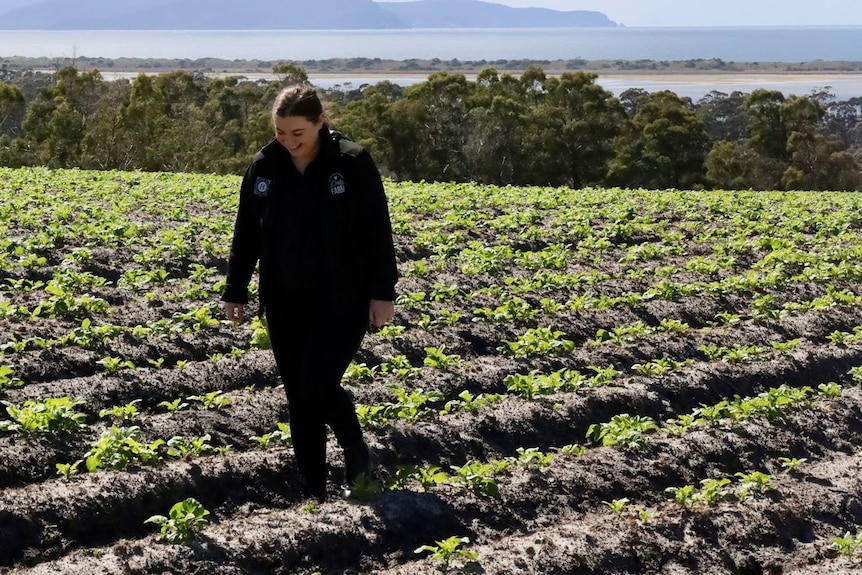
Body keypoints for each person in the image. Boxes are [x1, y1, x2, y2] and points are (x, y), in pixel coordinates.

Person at [220, 84, 398, 502]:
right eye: (281, 133)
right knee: (299, 399)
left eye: (298, 133)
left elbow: (376, 230)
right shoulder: (264, 167)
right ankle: (313, 492)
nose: (289, 142)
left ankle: (355, 448)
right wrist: (236, 288)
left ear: (321, 122)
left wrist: (382, 292)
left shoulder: (351, 164)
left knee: (317, 383)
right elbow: (247, 231)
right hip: (284, 300)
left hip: (342, 299)